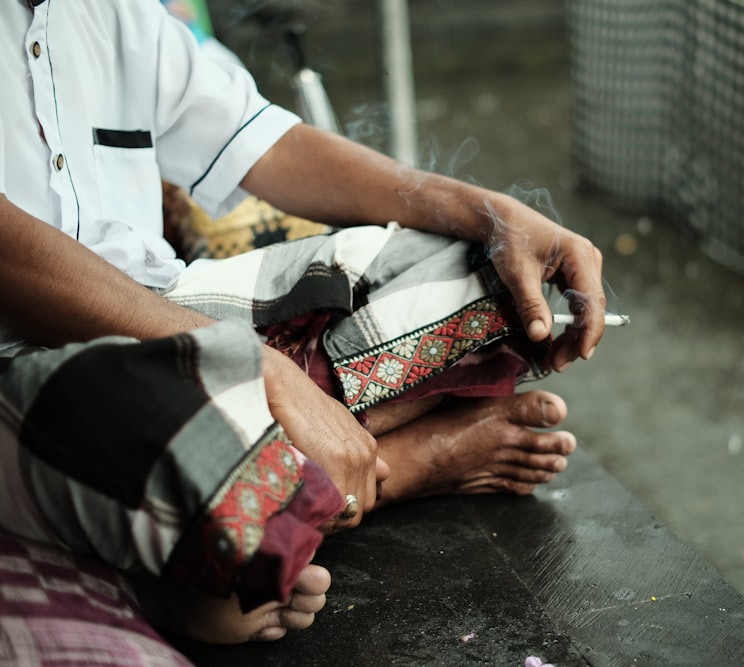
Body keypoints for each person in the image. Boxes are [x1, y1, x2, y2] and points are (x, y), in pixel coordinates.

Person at [0, 0, 605, 646]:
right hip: (31, 368)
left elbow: (268, 142)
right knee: (172, 420)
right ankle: (394, 467)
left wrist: (487, 212)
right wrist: (264, 371)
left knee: (488, 276)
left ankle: (264, 517)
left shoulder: (111, 9)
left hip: (169, 314)